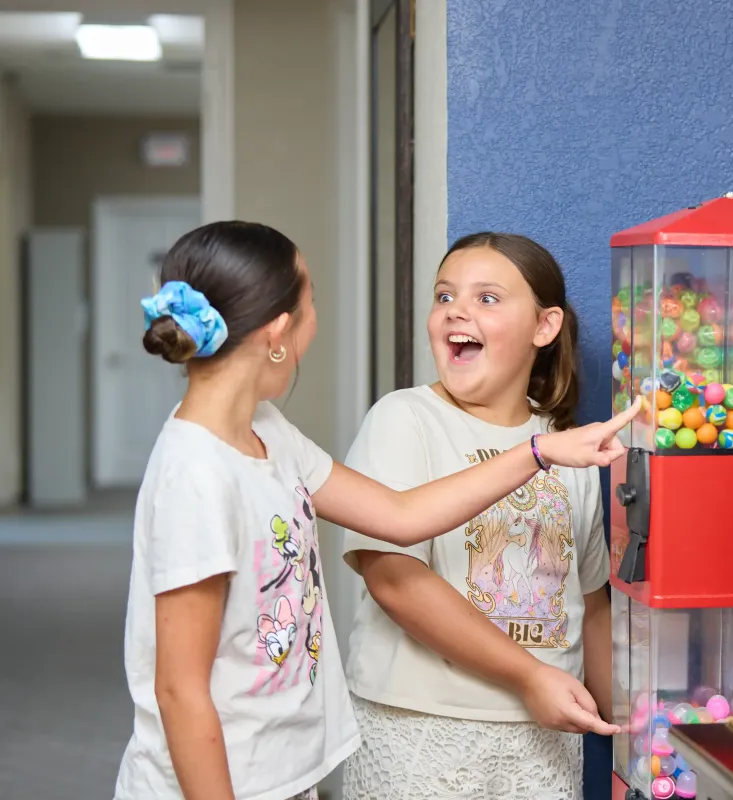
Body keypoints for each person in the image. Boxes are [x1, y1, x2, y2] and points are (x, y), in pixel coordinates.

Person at [113, 221, 640, 800]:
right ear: (281, 331)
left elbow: (399, 514)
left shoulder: (269, 433)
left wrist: (541, 451)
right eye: (312, 302)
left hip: (284, 770)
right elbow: (180, 691)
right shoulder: (196, 472)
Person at [339, 232, 619, 800]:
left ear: (545, 327)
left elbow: (590, 607)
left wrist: (631, 746)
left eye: (487, 298)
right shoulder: (404, 418)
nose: (456, 312)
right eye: (444, 297)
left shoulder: (569, 447)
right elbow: (393, 579)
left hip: (542, 743)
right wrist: (528, 676)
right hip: (419, 733)